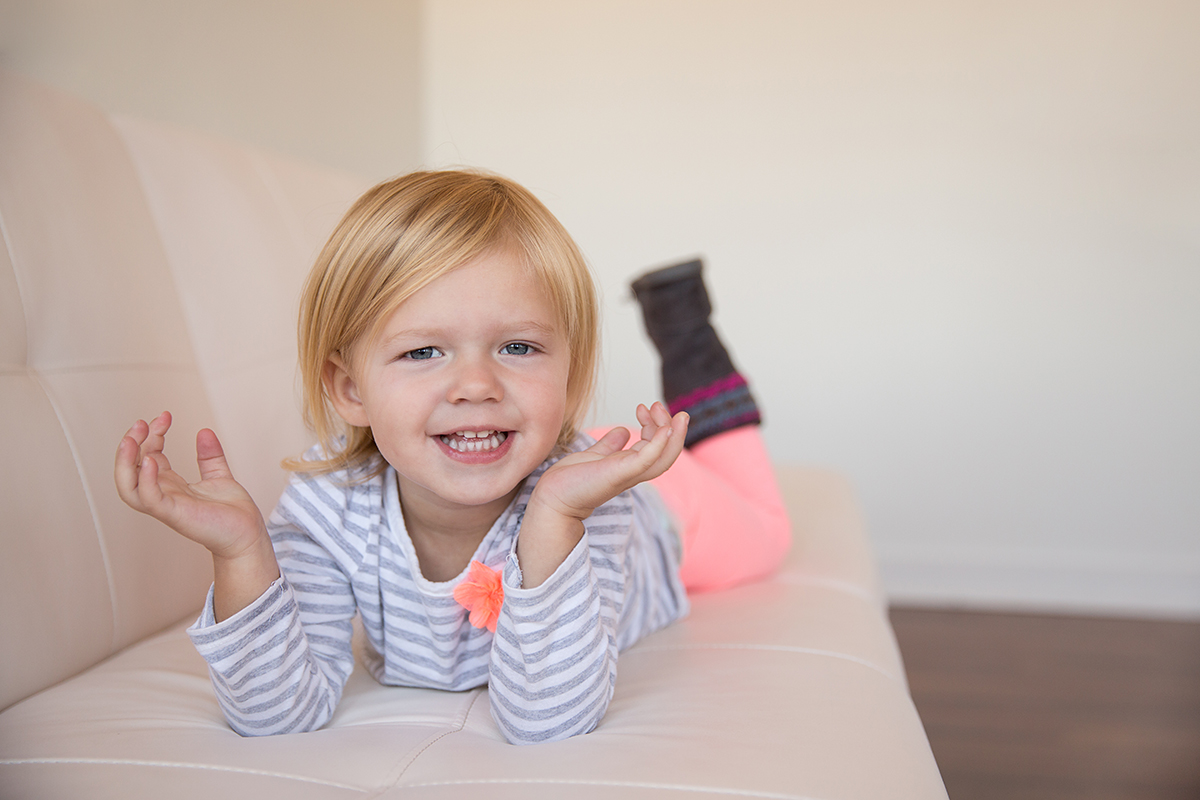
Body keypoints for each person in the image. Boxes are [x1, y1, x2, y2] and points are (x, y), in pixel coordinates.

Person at [114, 169, 789, 746]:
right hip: (555, 450)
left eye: (518, 348)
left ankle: (687, 341)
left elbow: (548, 721)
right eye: (423, 351)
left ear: (569, 376)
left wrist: (557, 514)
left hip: (663, 508)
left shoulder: (593, 505)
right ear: (351, 390)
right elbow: (276, 714)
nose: (476, 386)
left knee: (766, 529)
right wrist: (241, 557)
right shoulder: (329, 510)